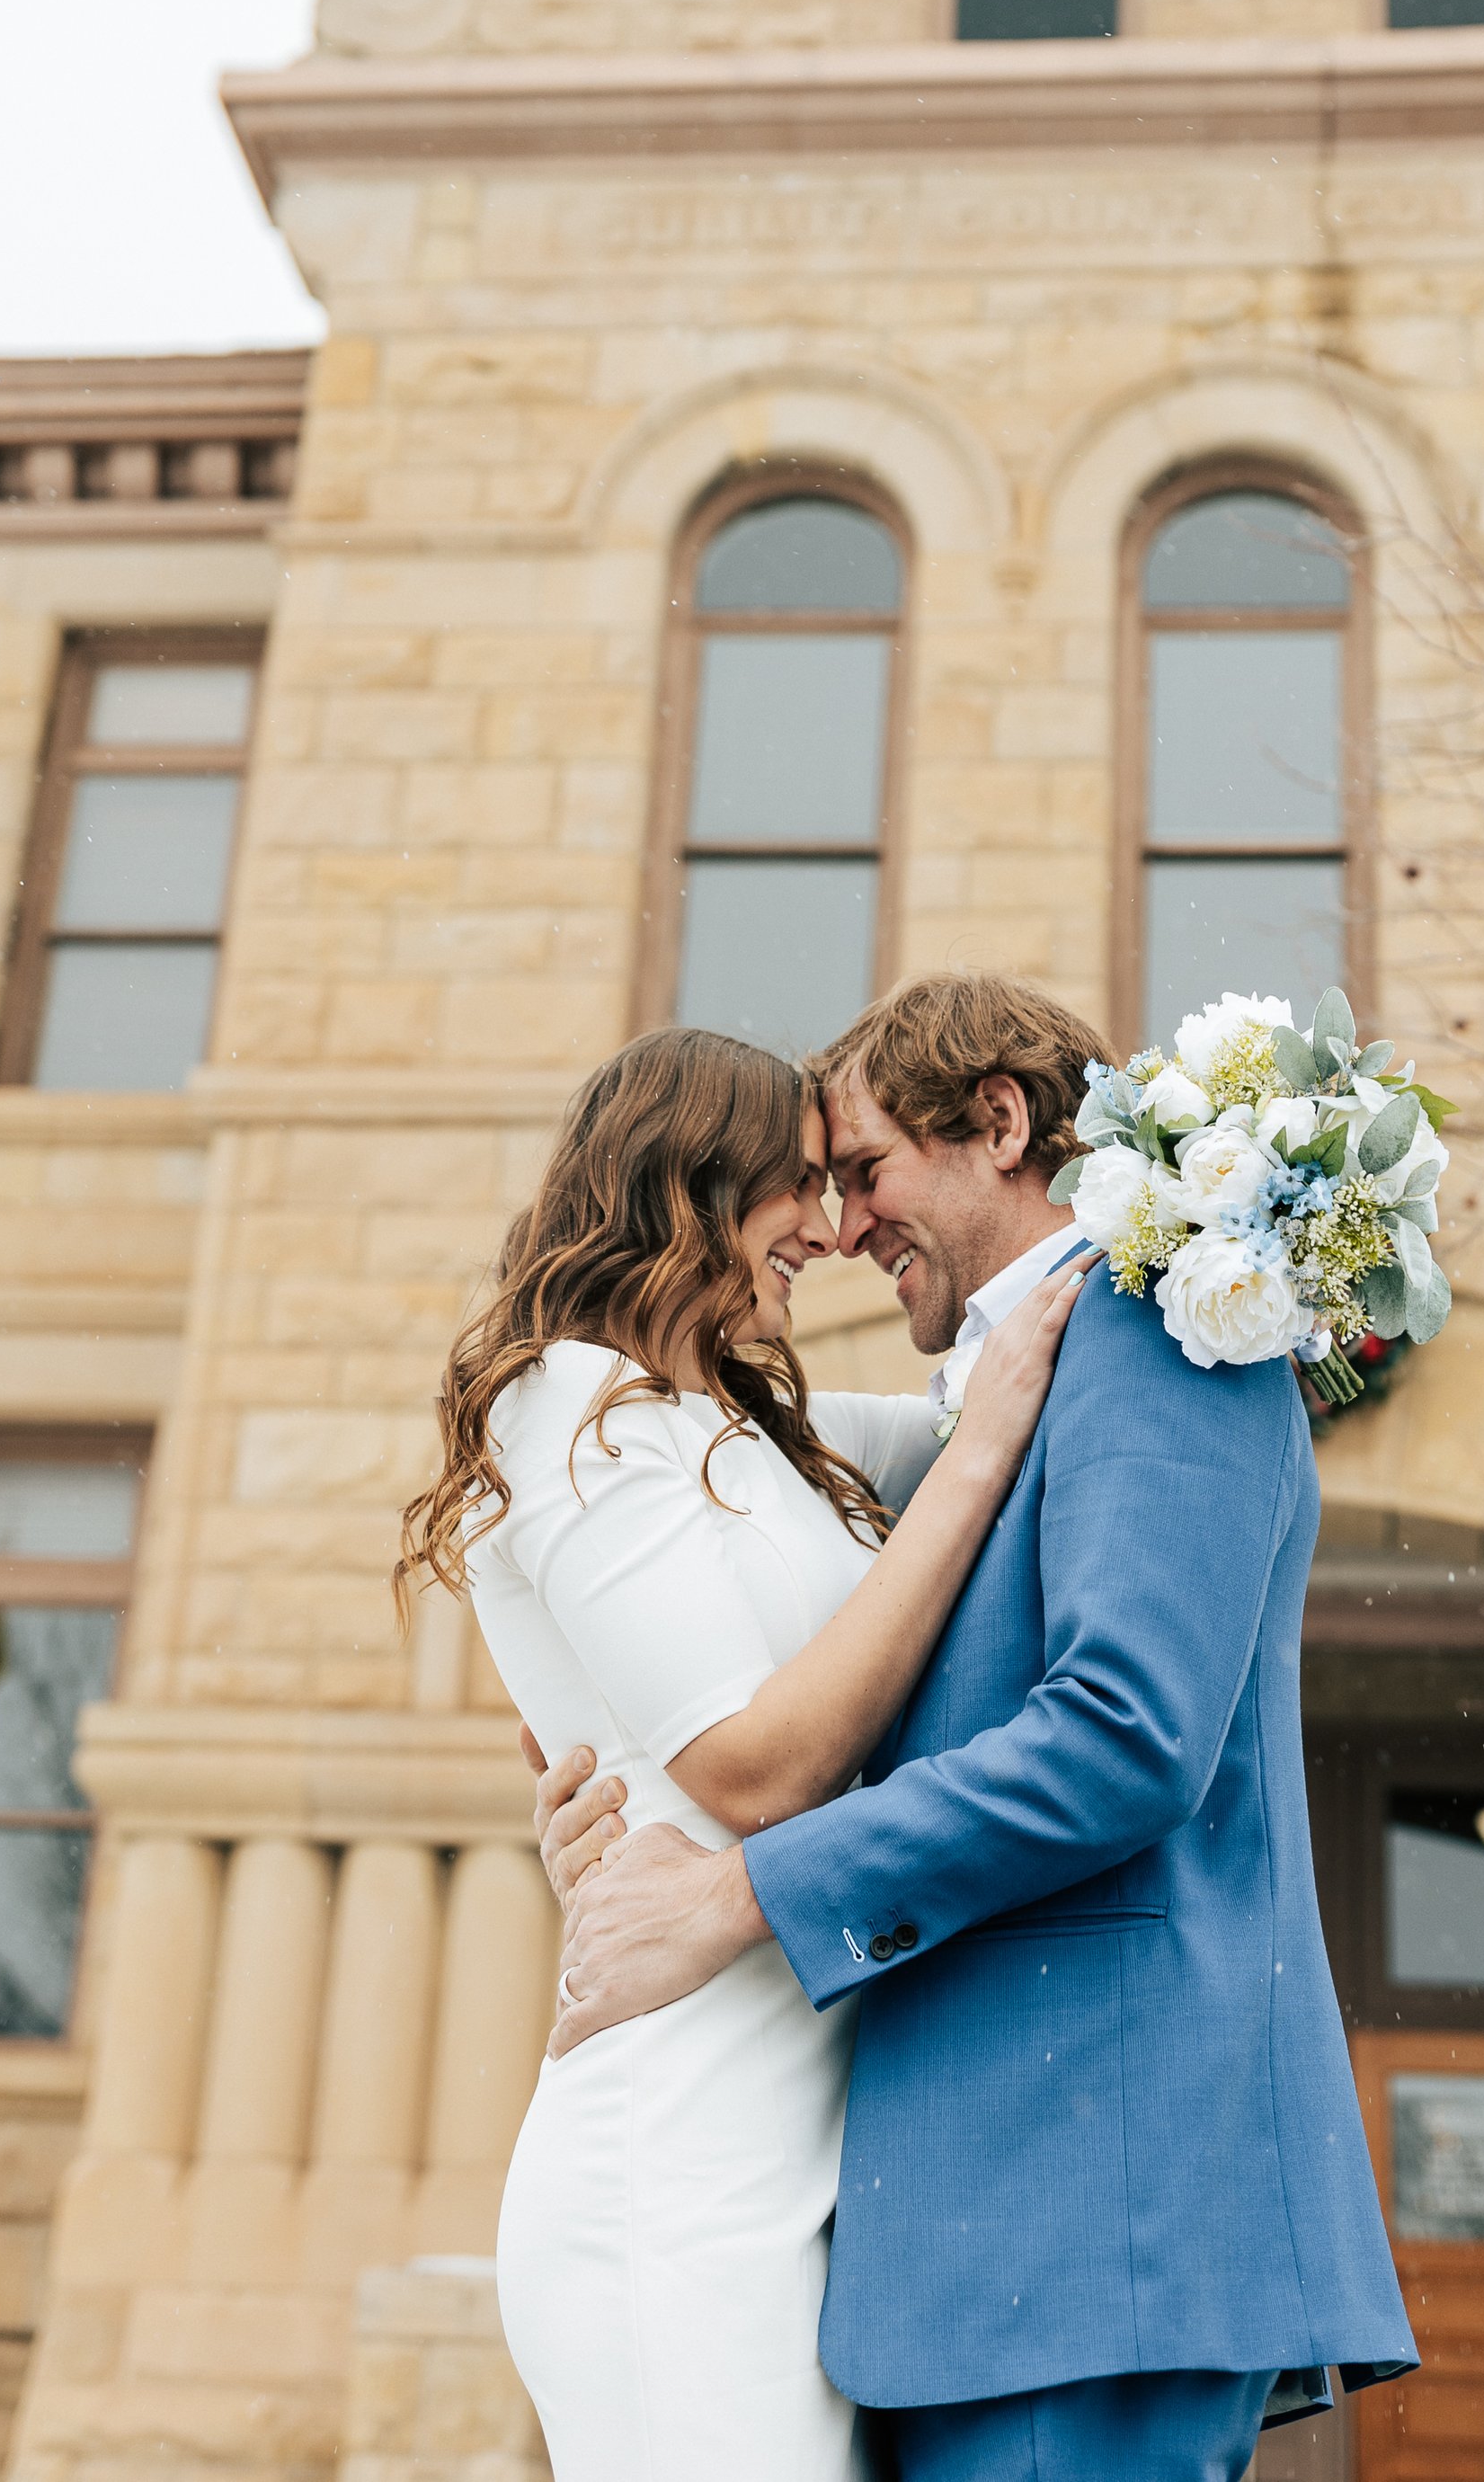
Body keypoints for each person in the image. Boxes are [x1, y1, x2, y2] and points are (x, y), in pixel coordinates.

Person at [538, 972, 1417, 2482]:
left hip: (1089, 2216)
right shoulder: (995, 1391)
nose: (844, 1219)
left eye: (866, 1167)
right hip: (987, 2242)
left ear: (1000, 1124)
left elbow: (1123, 1735)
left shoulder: (1159, 1331)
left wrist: (734, 1895)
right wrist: (623, 1799)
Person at [393, 1021, 1088, 2482]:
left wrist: (1200, 1222)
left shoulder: (751, 1426)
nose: (833, 1232)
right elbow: (752, 1770)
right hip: (681, 2159)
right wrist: (973, 1451)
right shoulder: (568, 1405)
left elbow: (1019, 1388)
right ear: (693, 1178)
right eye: (802, 1186)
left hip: (804, 2152)